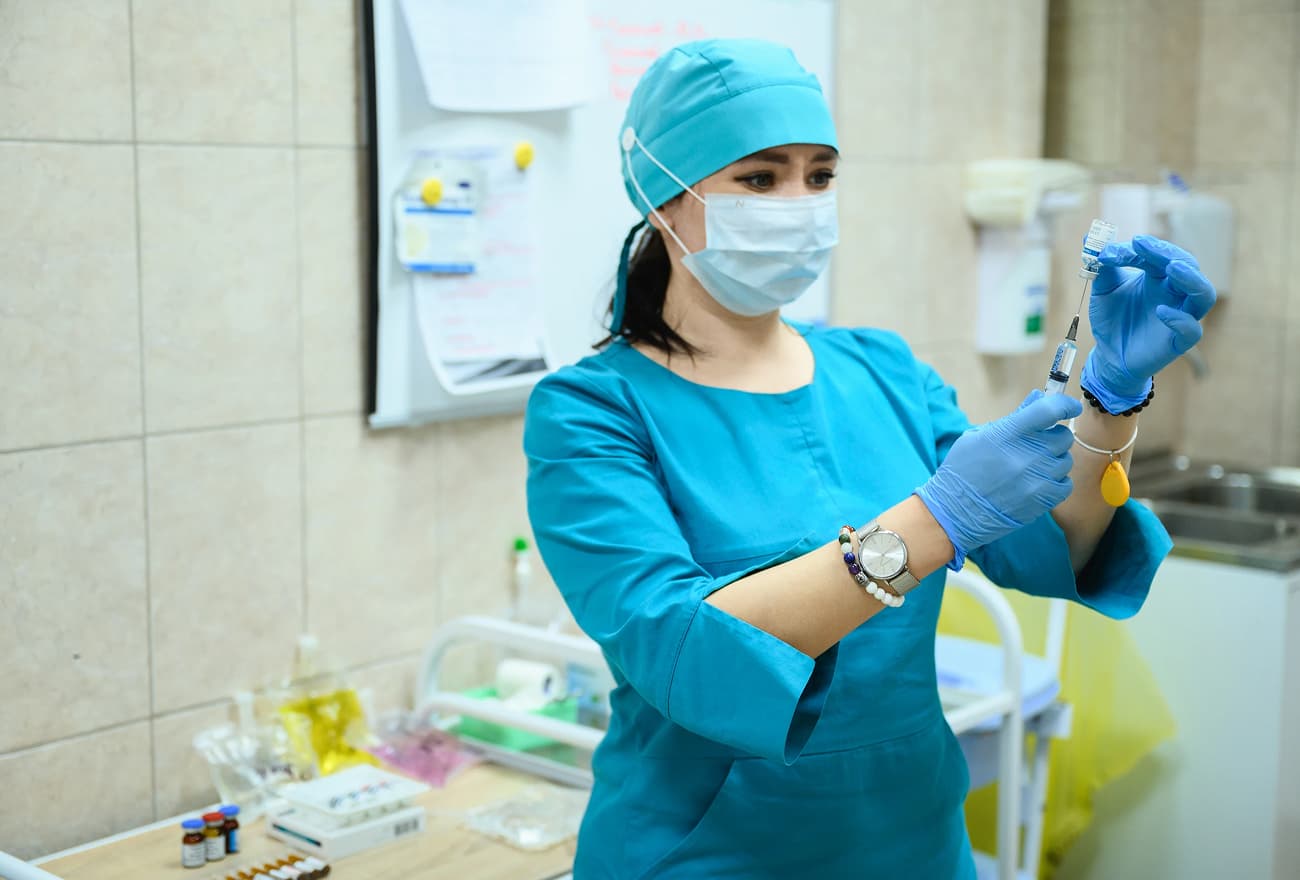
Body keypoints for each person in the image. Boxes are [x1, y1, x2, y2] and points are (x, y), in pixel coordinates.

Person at [524, 39, 1215, 879]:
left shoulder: (882, 369)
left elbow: (1049, 547)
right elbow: (682, 649)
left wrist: (1111, 399)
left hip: (914, 841)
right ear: (665, 197)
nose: (799, 203)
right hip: (705, 854)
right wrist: (935, 520)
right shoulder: (592, 412)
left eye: (820, 176)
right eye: (759, 179)